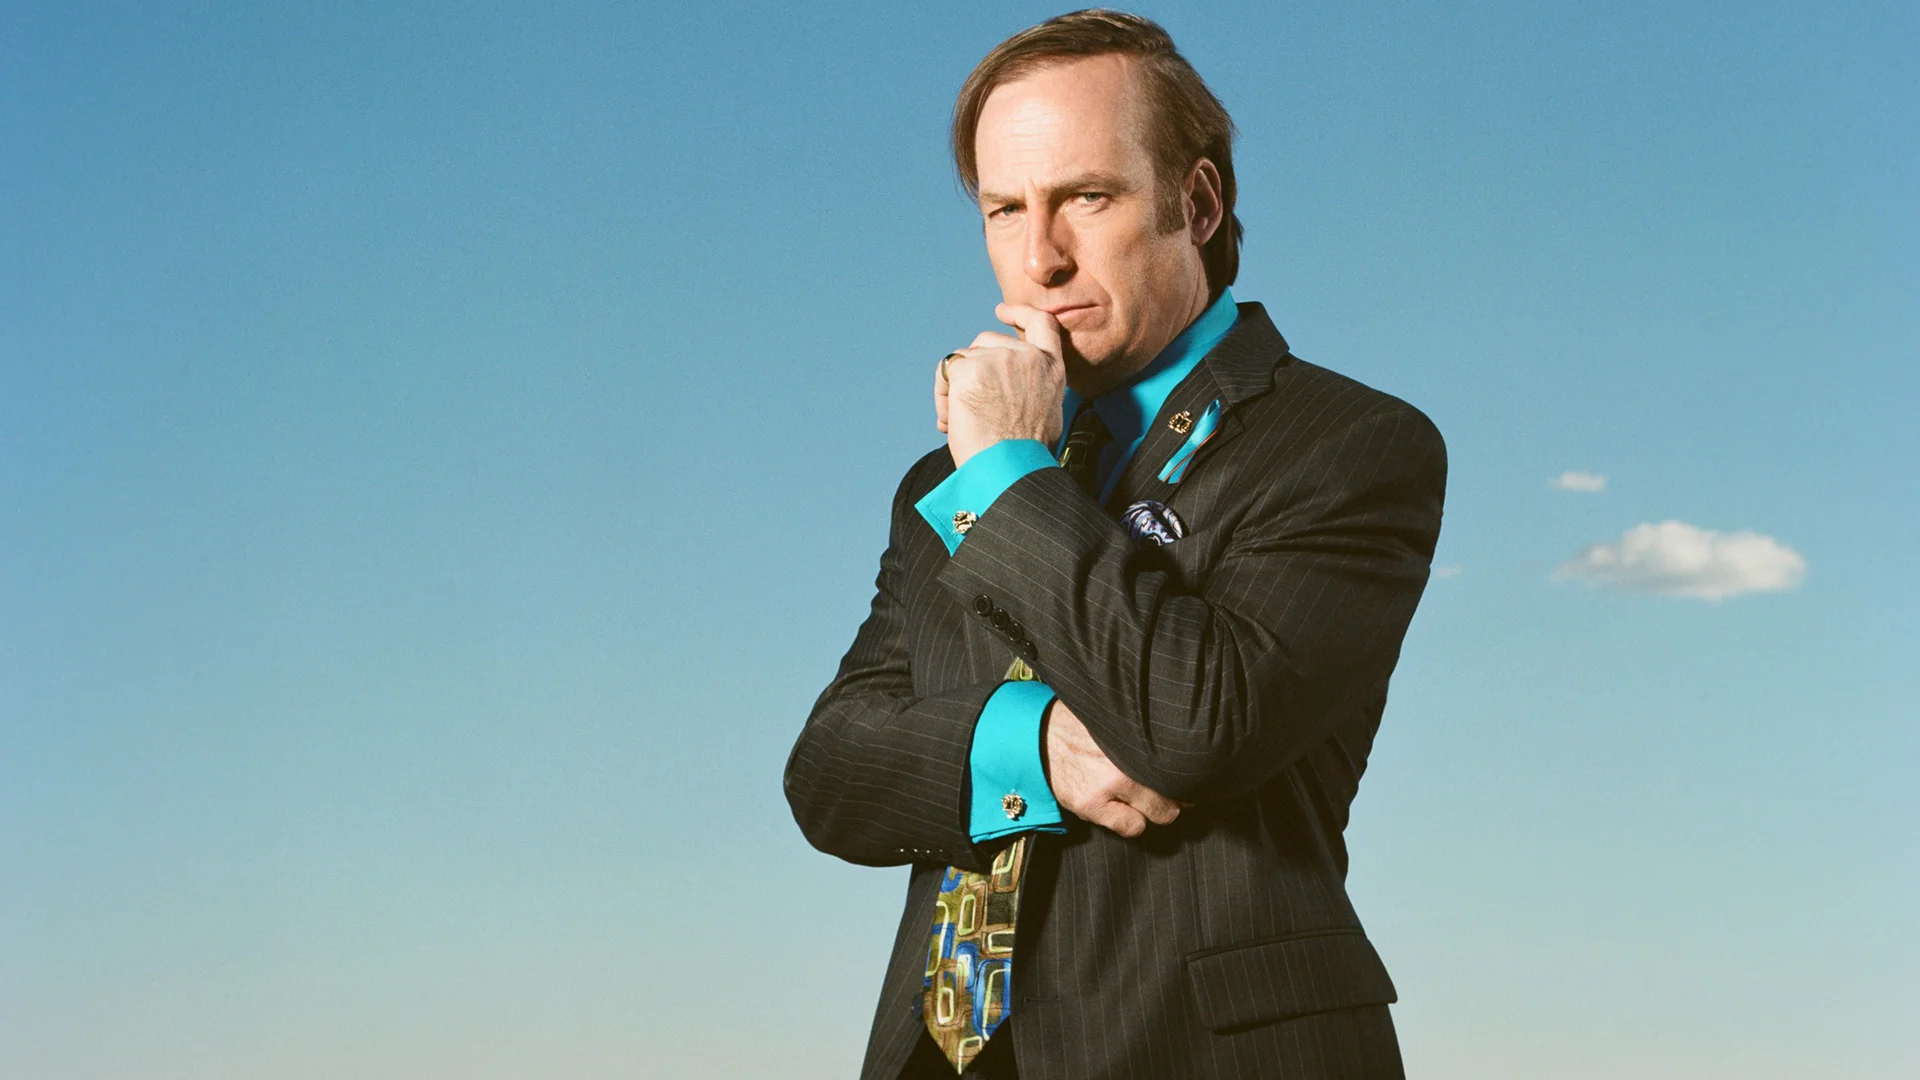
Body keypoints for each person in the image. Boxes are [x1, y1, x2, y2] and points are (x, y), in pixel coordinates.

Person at [784, 10, 1446, 1078]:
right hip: (940, 1053)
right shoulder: (943, 483)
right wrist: (1032, 747)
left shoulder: (1352, 443)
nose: (1040, 259)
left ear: (1197, 203)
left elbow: (1196, 724)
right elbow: (832, 772)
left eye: (1086, 198)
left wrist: (1009, 474)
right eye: (1006, 208)